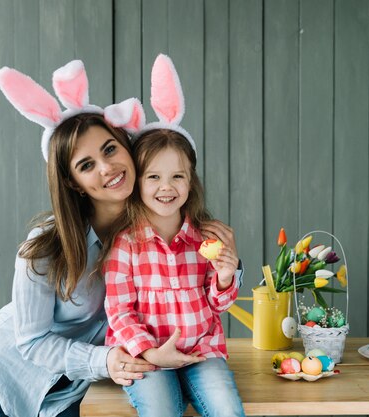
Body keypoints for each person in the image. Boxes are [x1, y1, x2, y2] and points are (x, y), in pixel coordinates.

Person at [0, 60, 243, 417]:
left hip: (91, 380)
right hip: (18, 376)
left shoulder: (161, 218)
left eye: (110, 149)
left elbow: (199, 274)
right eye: (86, 165)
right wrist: (109, 358)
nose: (106, 167)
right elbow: (32, 342)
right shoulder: (43, 249)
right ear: (73, 183)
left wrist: (231, 266)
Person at [103, 54, 245, 417]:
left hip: (202, 352)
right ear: (138, 182)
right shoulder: (126, 244)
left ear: (190, 181)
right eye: (154, 177)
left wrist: (226, 276)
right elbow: (119, 310)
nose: (166, 187)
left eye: (177, 176)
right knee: (161, 410)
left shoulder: (205, 238)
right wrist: (149, 352)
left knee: (227, 409)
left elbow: (218, 306)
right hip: (146, 355)